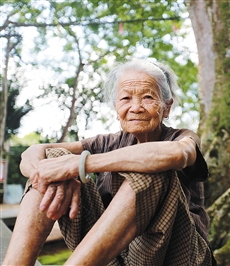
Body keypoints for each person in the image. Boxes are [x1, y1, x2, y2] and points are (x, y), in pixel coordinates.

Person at [3, 58, 215, 265]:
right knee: (55, 158)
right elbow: (34, 151)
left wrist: (80, 165)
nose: (136, 107)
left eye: (148, 97)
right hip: (113, 256)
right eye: (126, 99)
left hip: (173, 255)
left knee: (153, 168)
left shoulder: (181, 137)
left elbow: (176, 154)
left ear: (166, 107)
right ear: (116, 107)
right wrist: (52, 174)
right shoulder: (107, 142)